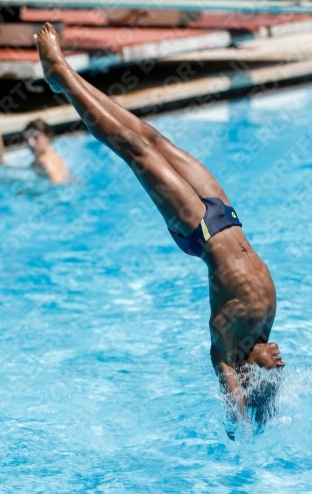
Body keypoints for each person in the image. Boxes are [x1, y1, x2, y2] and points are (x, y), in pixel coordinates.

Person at [34, 23, 285, 421]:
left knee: (133, 149)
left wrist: (242, 407)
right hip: (225, 214)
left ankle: (60, 71)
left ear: (247, 373)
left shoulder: (225, 349)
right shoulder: (262, 329)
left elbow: (234, 402)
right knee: (151, 137)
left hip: (198, 231)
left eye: (272, 368)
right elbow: (264, 395)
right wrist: (266, 378)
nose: (279, 361)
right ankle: (66, 82)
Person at [0, 119, 70, 184]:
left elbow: (57, 188)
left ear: (48, 136)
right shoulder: (57, 158)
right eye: (27, 139)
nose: (30, 143)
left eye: (35, 137)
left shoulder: (43, 160)